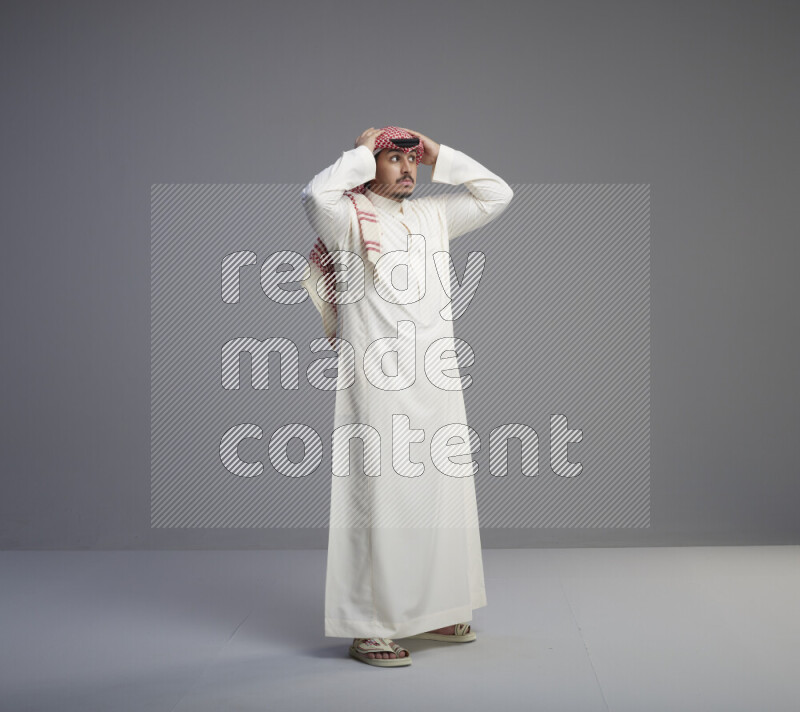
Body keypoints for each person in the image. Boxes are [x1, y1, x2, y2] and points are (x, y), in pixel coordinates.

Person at [301, 126, 513, 667]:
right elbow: (314, 194)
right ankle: (368, 626)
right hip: (377, 382)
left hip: (436, 378)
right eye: (394, 160)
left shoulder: (432, 215)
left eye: (411, 161)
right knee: (380, 499)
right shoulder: (348, 218)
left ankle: (436, 611)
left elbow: (497, 194)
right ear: (370, 166)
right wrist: (360, 149)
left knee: (441, 495)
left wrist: (438, 150)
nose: (407, 169)